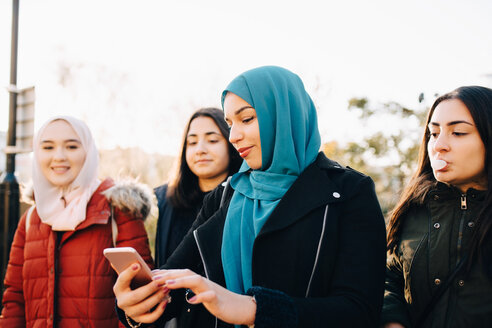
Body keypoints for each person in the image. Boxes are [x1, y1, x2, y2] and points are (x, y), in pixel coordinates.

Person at [114, 66, 387, 328]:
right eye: (230, 123)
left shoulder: (349, 192)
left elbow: (359, 312)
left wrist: (253, 310)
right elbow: (177, 278)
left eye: (247, 119)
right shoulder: (225, 194)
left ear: (285, 116)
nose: (234, 136)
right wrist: (137, 303)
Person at [0, 116, 154, 328]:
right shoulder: (31, 219)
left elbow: (142, 296)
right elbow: (14, 300)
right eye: (47, 147)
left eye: (72, 146)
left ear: (88, 152)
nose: (59, 156)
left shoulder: (118, 211)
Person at [381, 86, 492, 328]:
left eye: (459, 133)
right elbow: (391, 278)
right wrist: (392, 321)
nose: (439, 145)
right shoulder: (414, 209)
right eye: (433, 133)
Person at [154, 107, 242, 268]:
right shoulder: (161, 201)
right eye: (192, 142)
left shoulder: (244, 200)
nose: (200, 150)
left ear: (232, 146)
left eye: (212, 140)